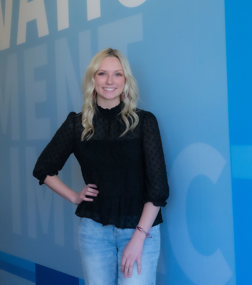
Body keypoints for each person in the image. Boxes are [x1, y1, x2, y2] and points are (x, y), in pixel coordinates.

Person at [33, 48, 169, 285]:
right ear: (92, 79)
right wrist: (75, 197)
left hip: (140, 230)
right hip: (94, 232)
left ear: (125, 80)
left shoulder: (144, 122)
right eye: (102, 74)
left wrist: (138, 239)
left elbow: (158, 189)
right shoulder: (77, 124)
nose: (109, 81)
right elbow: (43, 169)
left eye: (117, 74)